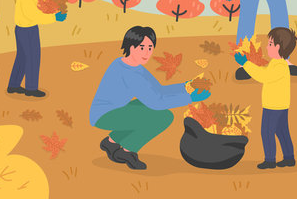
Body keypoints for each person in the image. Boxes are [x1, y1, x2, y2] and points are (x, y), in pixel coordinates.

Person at [89, 26, 211, 170]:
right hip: (105, 116)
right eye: (142, 48)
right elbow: (157, 102)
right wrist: (190, 98)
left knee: (156, 113)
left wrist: (185, 87)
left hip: (115, 109)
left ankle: (112, 141)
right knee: (163, 118)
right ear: (131, 47)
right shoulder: (131, 74)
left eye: (150, 47)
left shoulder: (130, 64)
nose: (147, 52)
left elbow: (158, 90)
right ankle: (127, 151)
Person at [234, 27, 297, 170]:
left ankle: (270, 160)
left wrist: (246, 64)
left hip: (273, 106)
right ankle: (289, 158)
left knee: (267, 132)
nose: (267, 47)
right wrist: (248, 64)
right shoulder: (276, 63)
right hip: (281, 105)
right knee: (282, 132)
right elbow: (263, 71)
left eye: (270, 44)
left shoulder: (279, 66)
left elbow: (264, 77)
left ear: (278, 47)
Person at [7, 0, 66, 97]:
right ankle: (31, 88)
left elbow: (40, 9)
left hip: (22, 30)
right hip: (28, 30)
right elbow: (35, 16)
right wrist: (55, 17)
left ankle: (13, 85)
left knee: (22, 58)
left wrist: (52, 10)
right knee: (33, 58)